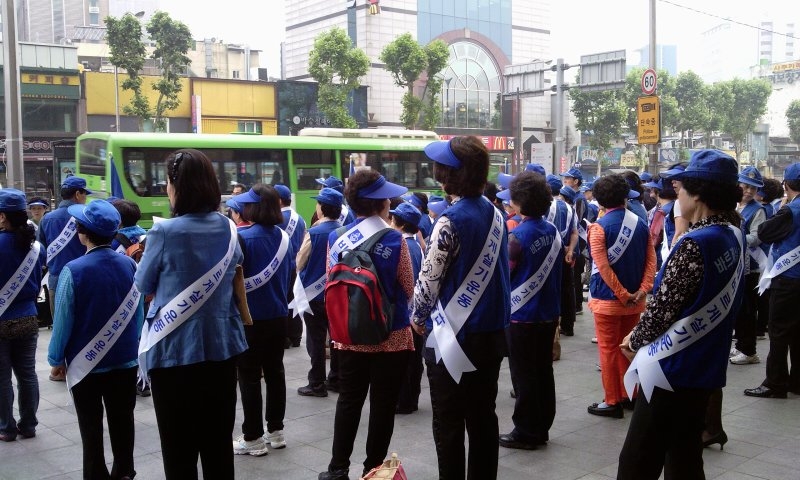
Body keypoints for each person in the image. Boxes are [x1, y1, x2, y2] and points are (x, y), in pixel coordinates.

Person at [619, 150, 745, 479]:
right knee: (685, 455)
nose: (678, 197)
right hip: (705, 367)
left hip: (672, 369)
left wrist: (635, 338)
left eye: (681, 189)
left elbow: (662, 309)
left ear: (698, 193)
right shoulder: (733, 234)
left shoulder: (695, 243)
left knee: (638, 459)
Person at [135, 149, 247, 480]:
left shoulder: (164, 232)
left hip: (173, 353)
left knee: (178, 448)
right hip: (222, 349)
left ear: (176, 185)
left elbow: (142, 283)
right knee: (217, 446)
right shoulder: (228, 228)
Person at [411, 136, 510, 480]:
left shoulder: (449, 221)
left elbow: (428, 280)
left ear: (447, 175)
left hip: (453, 337)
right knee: (484, 416)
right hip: (491, 334)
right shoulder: (496, 214)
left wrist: (417, 318)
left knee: (449, 420)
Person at [319, 170, 414, 480]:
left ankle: (337, 469)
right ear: (381, 204)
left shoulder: (336, 237)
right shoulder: (395, 238)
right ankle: (372, 470)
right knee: (383, 404)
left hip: (349, 334)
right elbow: (409, 287)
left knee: (349, 399)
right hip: (392, 336)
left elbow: (331, 280)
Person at [47, 200, 143, 480]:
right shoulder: (129, 264)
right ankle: (124, 471)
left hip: (86, 365)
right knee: (123, 420)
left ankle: (95, 474)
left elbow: (63, 322)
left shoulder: (73, 270)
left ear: (82, 233)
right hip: (125, 359)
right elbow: (137, 314)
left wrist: (55, 359)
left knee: (90, 426)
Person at [496, 171, 563, 450]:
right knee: (543, 371)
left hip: (522, 315)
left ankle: (526, 430)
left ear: (520, 203)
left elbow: (506, 277)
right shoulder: (551, 231)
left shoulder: (517, 237)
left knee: (524, 375)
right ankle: (542, 425)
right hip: (547, 312)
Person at [230, 184, 294, 457]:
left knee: (249, 376)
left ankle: (253, 436)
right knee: (276, 372)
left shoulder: (242, 237)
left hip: (249, 319)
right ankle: (276, 431)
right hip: (279, 314)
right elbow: (291, 275)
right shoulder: (283, 237)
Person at [586, 175, 655, 419]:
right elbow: (651, 259)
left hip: (608, 300)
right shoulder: (640, 223)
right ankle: (631, 395)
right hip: (636, 300)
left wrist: (622, 294)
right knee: (629, 347)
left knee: (608, 349)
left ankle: (612, 399)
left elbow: (603, 268)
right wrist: (642, 290)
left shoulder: (598, 227)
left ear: (598, 198)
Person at [744, 162, 800, 399]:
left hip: (787, 278)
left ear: (786, 184)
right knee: (798, 332)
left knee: (778, 332)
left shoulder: (790, 210)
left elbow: (765, 232)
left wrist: (783, 207)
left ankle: (775, 383)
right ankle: (797, 381)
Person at [0, 189, 46, 442]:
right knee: (27, 374)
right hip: (28, 316)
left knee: (2, 378)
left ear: (3, 217)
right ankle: (28, 425)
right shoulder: (35, 247)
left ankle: (6, 428)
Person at [296, 188, 344, 398]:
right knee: (336, 337)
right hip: (337, 294)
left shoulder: (314, 233)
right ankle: (335, 378)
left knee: (316, 340)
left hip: (314, 295)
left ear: (322, 208)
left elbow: (299, 262)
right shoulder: (345, 231)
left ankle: (316, 383)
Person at [389, 202, 425, 415]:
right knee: (415, 360)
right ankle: (412, 399)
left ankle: (403, 401)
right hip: (417, 312)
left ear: (400, 225)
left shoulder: (401, 246)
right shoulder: (417, 246)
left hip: (404, 313)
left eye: (394, 219)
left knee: (403, 361)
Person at [730, 166, 766, 366]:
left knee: (747, 309)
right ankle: (742, 344)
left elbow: (757, 237)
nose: (749, 191)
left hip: (750, 266)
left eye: (754, 188)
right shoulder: (734, 206)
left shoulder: (757, 209)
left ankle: (749, 350)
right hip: (736, 265)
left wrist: (735, 236)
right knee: (739, 308)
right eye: (746, 186)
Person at [275, 184, 306, 348]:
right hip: (296, 266)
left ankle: (285, 336)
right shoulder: (299, 218)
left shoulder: (276, 218)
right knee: (294, 300)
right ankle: (296, 336)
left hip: (281, 266)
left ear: (279, 200)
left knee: (283, 299)